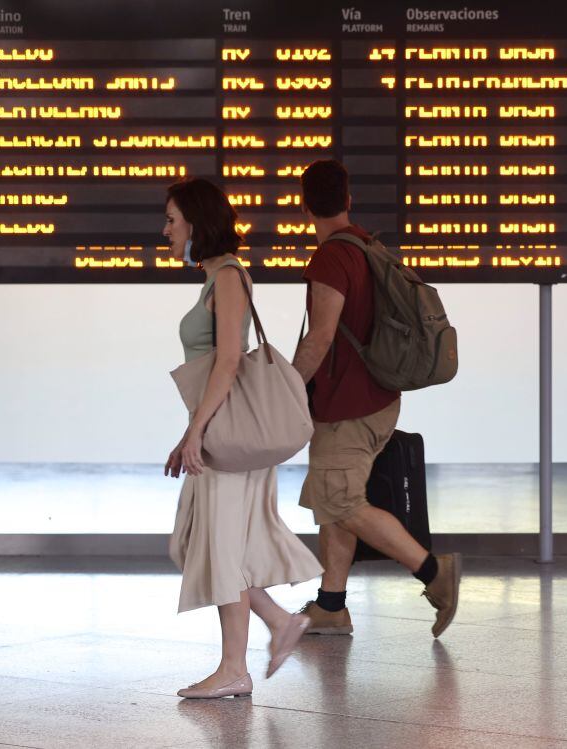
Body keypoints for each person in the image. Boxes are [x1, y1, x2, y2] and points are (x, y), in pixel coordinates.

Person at [162, 177, 323, 699]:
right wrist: (190, 431)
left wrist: (195, 429)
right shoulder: (214, 278)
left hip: (226, 441)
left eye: (171, 220)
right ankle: (277, 623)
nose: (165, 231)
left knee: (217, 547)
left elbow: (229, 360)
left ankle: (235, 667)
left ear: (196, 224)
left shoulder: (228, 276)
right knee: (197, 543)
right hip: (218, 434)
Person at [289, 159, 460, 641]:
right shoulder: (367, 247)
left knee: (340, 500)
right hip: (379, 397)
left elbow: (319, 339)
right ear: (348, 199)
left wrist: (285, 389)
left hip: (349, 404)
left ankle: (433, 572)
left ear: (305, 206)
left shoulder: (330, 259)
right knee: (335, 498)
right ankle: (331, 605)